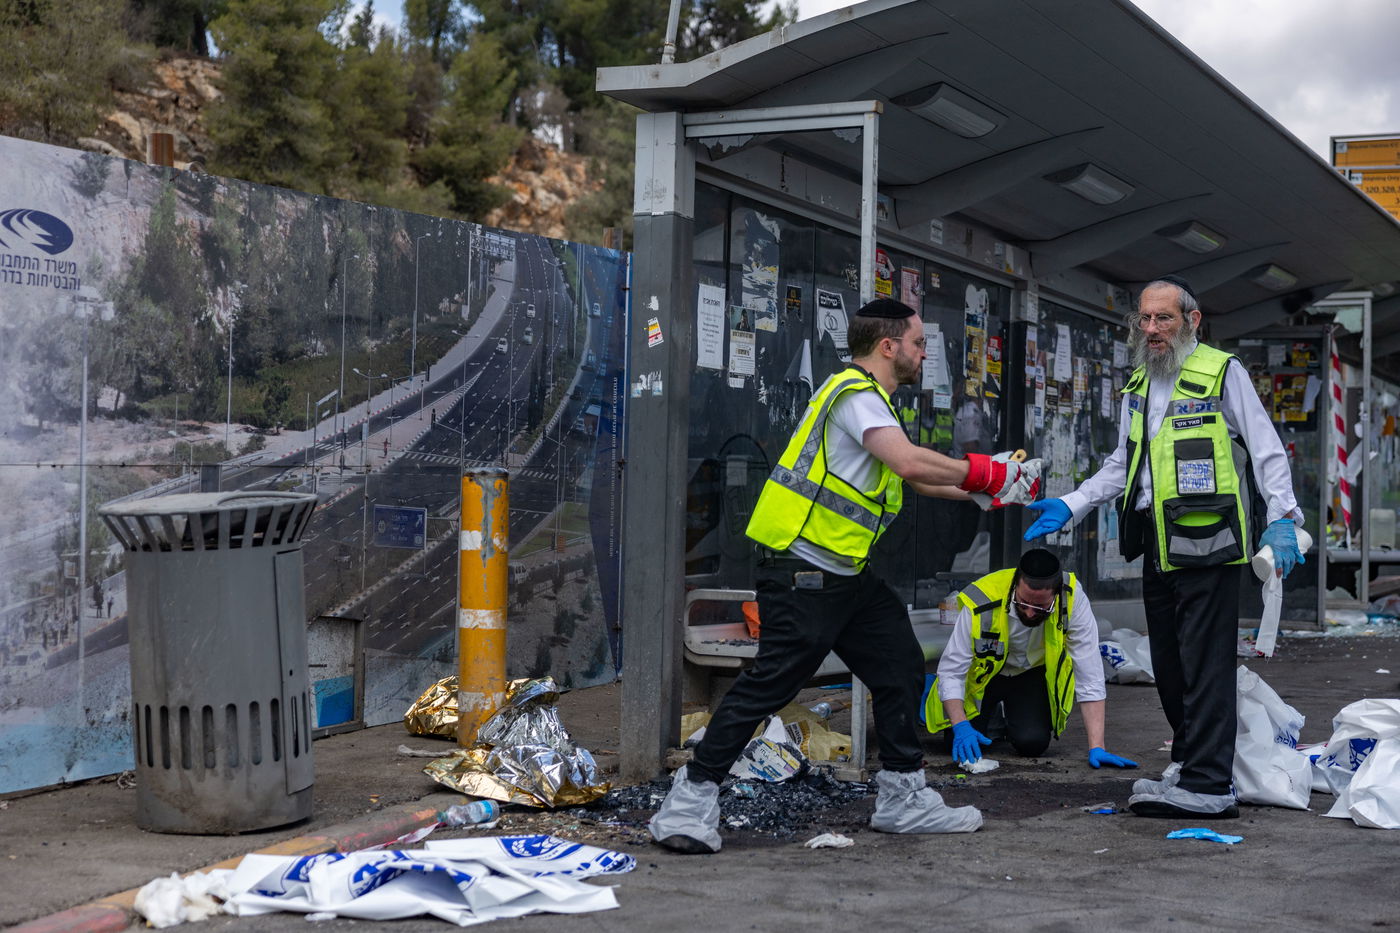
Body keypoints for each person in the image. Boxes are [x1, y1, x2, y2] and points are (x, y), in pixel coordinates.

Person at [648, 297, 1044, 854]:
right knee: (770, 685)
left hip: (845, 575)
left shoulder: (872, 403)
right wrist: (987, 472)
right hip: (804, 572)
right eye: (918, 343)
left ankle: (903, 798)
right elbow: (908, 462)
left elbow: (915, 479)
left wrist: (993, 493)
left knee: (899, 666)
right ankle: (687, 803)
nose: (923, 353)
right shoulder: (855, 395)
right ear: (888, 346)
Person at [1023, 275, 1304, 820]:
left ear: (1191, 321)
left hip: (1212, 542)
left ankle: (1209, 784)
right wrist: (1074, 502)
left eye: (1164, 318)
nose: (1151, 329)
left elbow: (1267, 449)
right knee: (1170, 666)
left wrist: (1283, 518)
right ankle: (1190, 763)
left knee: (1206, 665)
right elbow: (1122, 463)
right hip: (1159, 541)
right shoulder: (1140, 383)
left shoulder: (1222, 371)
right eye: (1145, 318)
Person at [923, 548, 1136, 770]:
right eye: (1023, 603)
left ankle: (1006, 718)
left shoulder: (1072, 599)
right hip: (983, 678)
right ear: (1015, 585)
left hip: (1030, 673)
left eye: (1040, 607)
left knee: (1032, 743)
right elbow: (951, 671)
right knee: (956, 744)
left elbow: (1089, 672)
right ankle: (991, 718)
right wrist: (960, 726)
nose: (1030, 613)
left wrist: (1097, 746)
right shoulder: (982, 597)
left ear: (1056, 595)